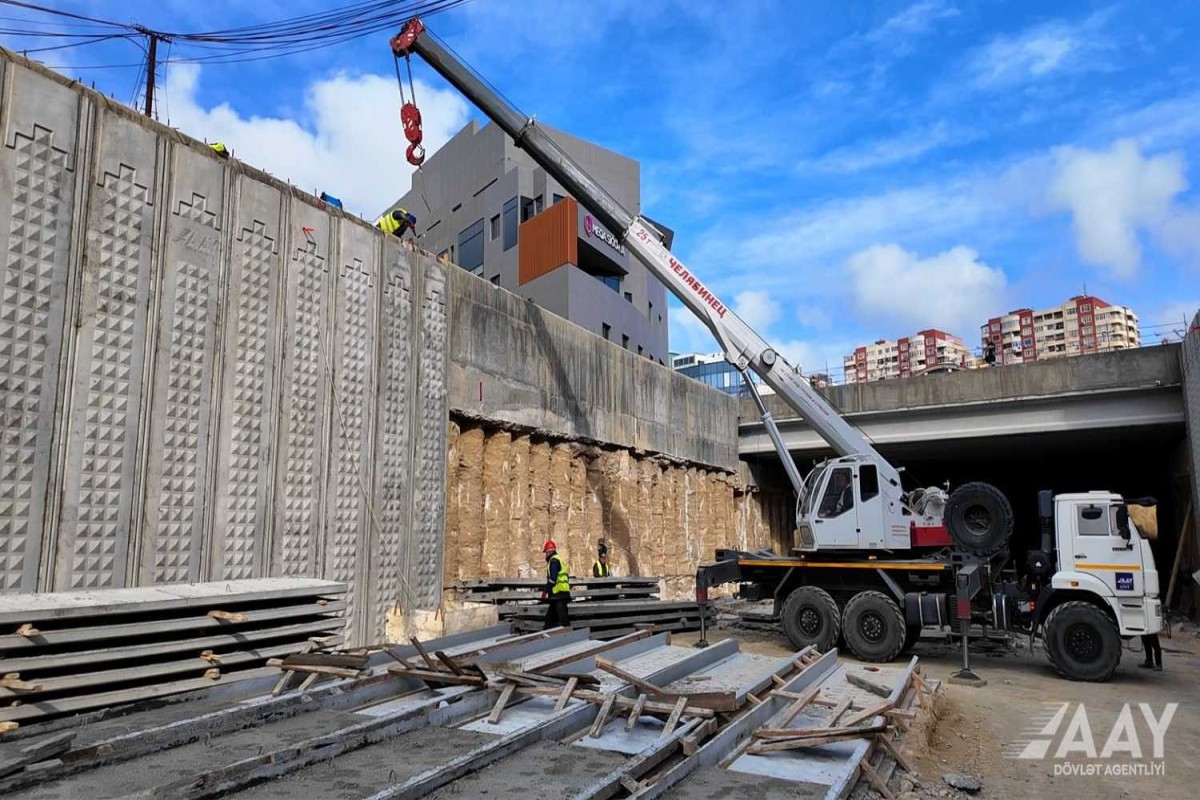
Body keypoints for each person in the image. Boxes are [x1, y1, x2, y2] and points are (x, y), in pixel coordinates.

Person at [542, 540, 571, 629]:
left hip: (559, 595)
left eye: (546, 552)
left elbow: (552, 579)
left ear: (549, 551)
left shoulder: (553, 561)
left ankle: (568, 637)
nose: (545, 555)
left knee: (563, 620)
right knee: (550, 620)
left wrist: (546, 591)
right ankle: (548, 634)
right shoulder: (559, 559)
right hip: (561, 594)